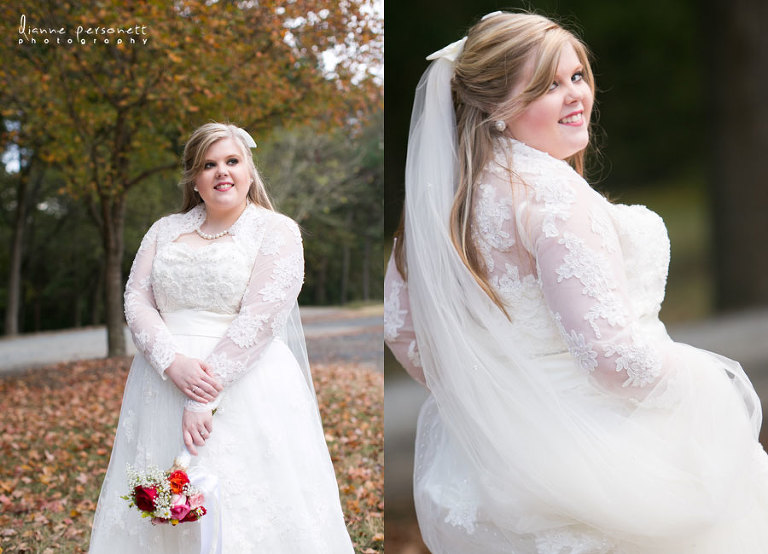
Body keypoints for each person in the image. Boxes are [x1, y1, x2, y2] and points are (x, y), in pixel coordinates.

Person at [385, 11, 768, 553]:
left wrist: (490, 398)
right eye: (546, 85)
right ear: (496, 107)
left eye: (576, 77)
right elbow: (612, 360)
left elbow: (402, 330)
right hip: (605, 452)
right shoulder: (552, 197)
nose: (574, 96)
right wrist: (703, 378)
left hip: (488, 463)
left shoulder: (438, 205)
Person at [89, 122, 353, 553]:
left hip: (245, 385)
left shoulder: (277, 231)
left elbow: (262, 317)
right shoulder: (163, 230)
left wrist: (202, 396)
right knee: (164, 505)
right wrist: (172, 362)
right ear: (194, 179)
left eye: (232, 161)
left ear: (250, 170)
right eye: (208, 165)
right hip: (160, 383)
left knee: (241, 503)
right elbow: (136, 299)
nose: (221, 172)